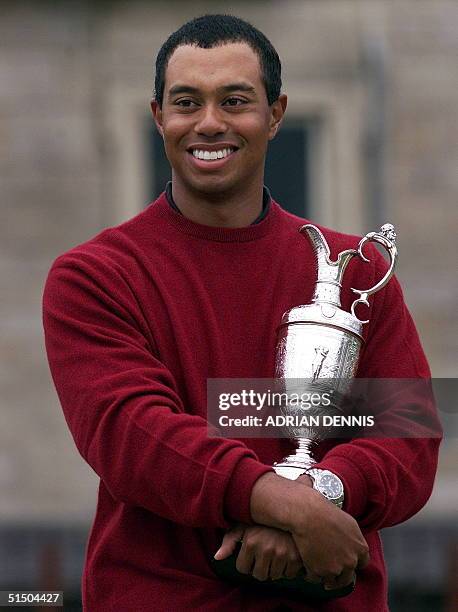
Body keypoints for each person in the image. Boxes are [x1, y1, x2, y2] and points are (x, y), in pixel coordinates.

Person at [42, 14, 441, 612]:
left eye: (235, 100)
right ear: (158, 117)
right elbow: (132, 435)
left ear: (276, 114)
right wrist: (279, 501)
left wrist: (321, 491)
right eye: (186, 102)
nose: (209, 123)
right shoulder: (94, 275)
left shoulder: (357, 271)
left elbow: (411, 440)